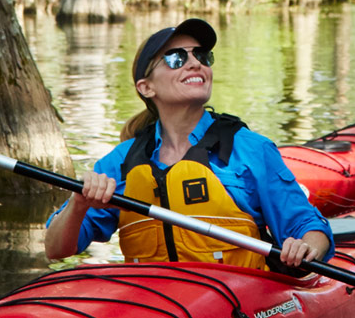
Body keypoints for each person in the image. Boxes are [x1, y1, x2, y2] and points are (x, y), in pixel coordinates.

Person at [44, 18, 332, 268]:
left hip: (236, 304)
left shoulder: (250, 150)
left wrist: (307, 247)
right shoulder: (120, 163)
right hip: (152, 303)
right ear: (147, 87)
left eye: (202, 56)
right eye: (176, 58)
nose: (195, 63)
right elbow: (57, 249)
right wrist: (78, 204)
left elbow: (308, 228)